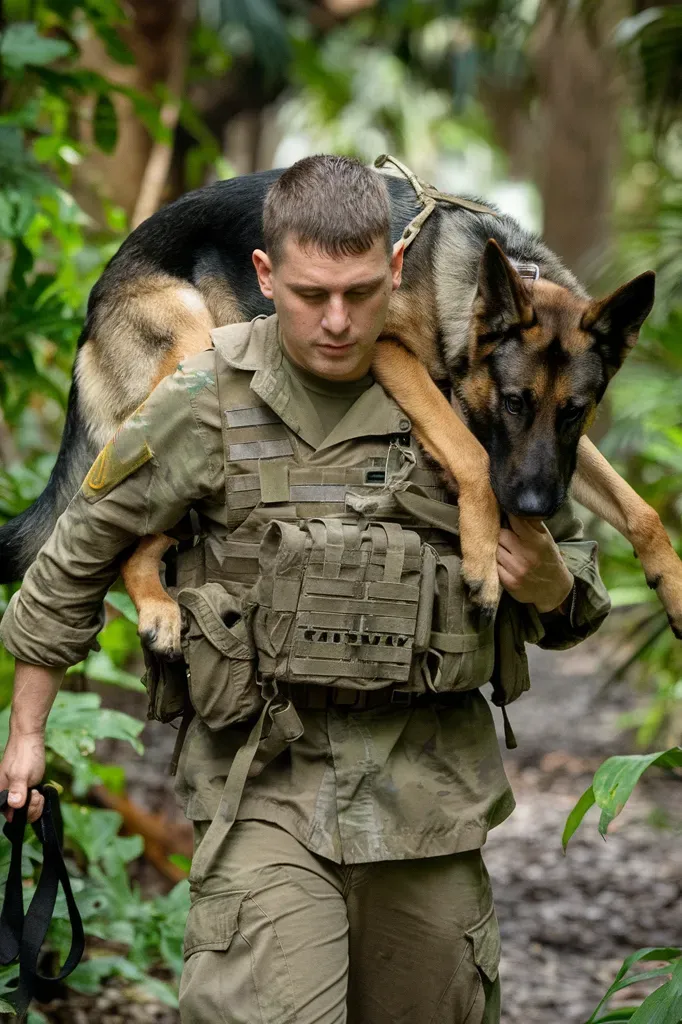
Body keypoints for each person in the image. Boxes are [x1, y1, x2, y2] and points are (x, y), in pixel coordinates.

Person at [0, 155, 611, 1024]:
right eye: (310, 293)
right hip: (263, 796)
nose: (335, 322)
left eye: (360, 294)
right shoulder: (205, 389)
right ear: (263, 275)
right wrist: (27, 735)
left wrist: (553, 583)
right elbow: (76, 549)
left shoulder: (480, 401)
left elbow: (576, 602)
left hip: (427, 809)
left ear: (397, 271)